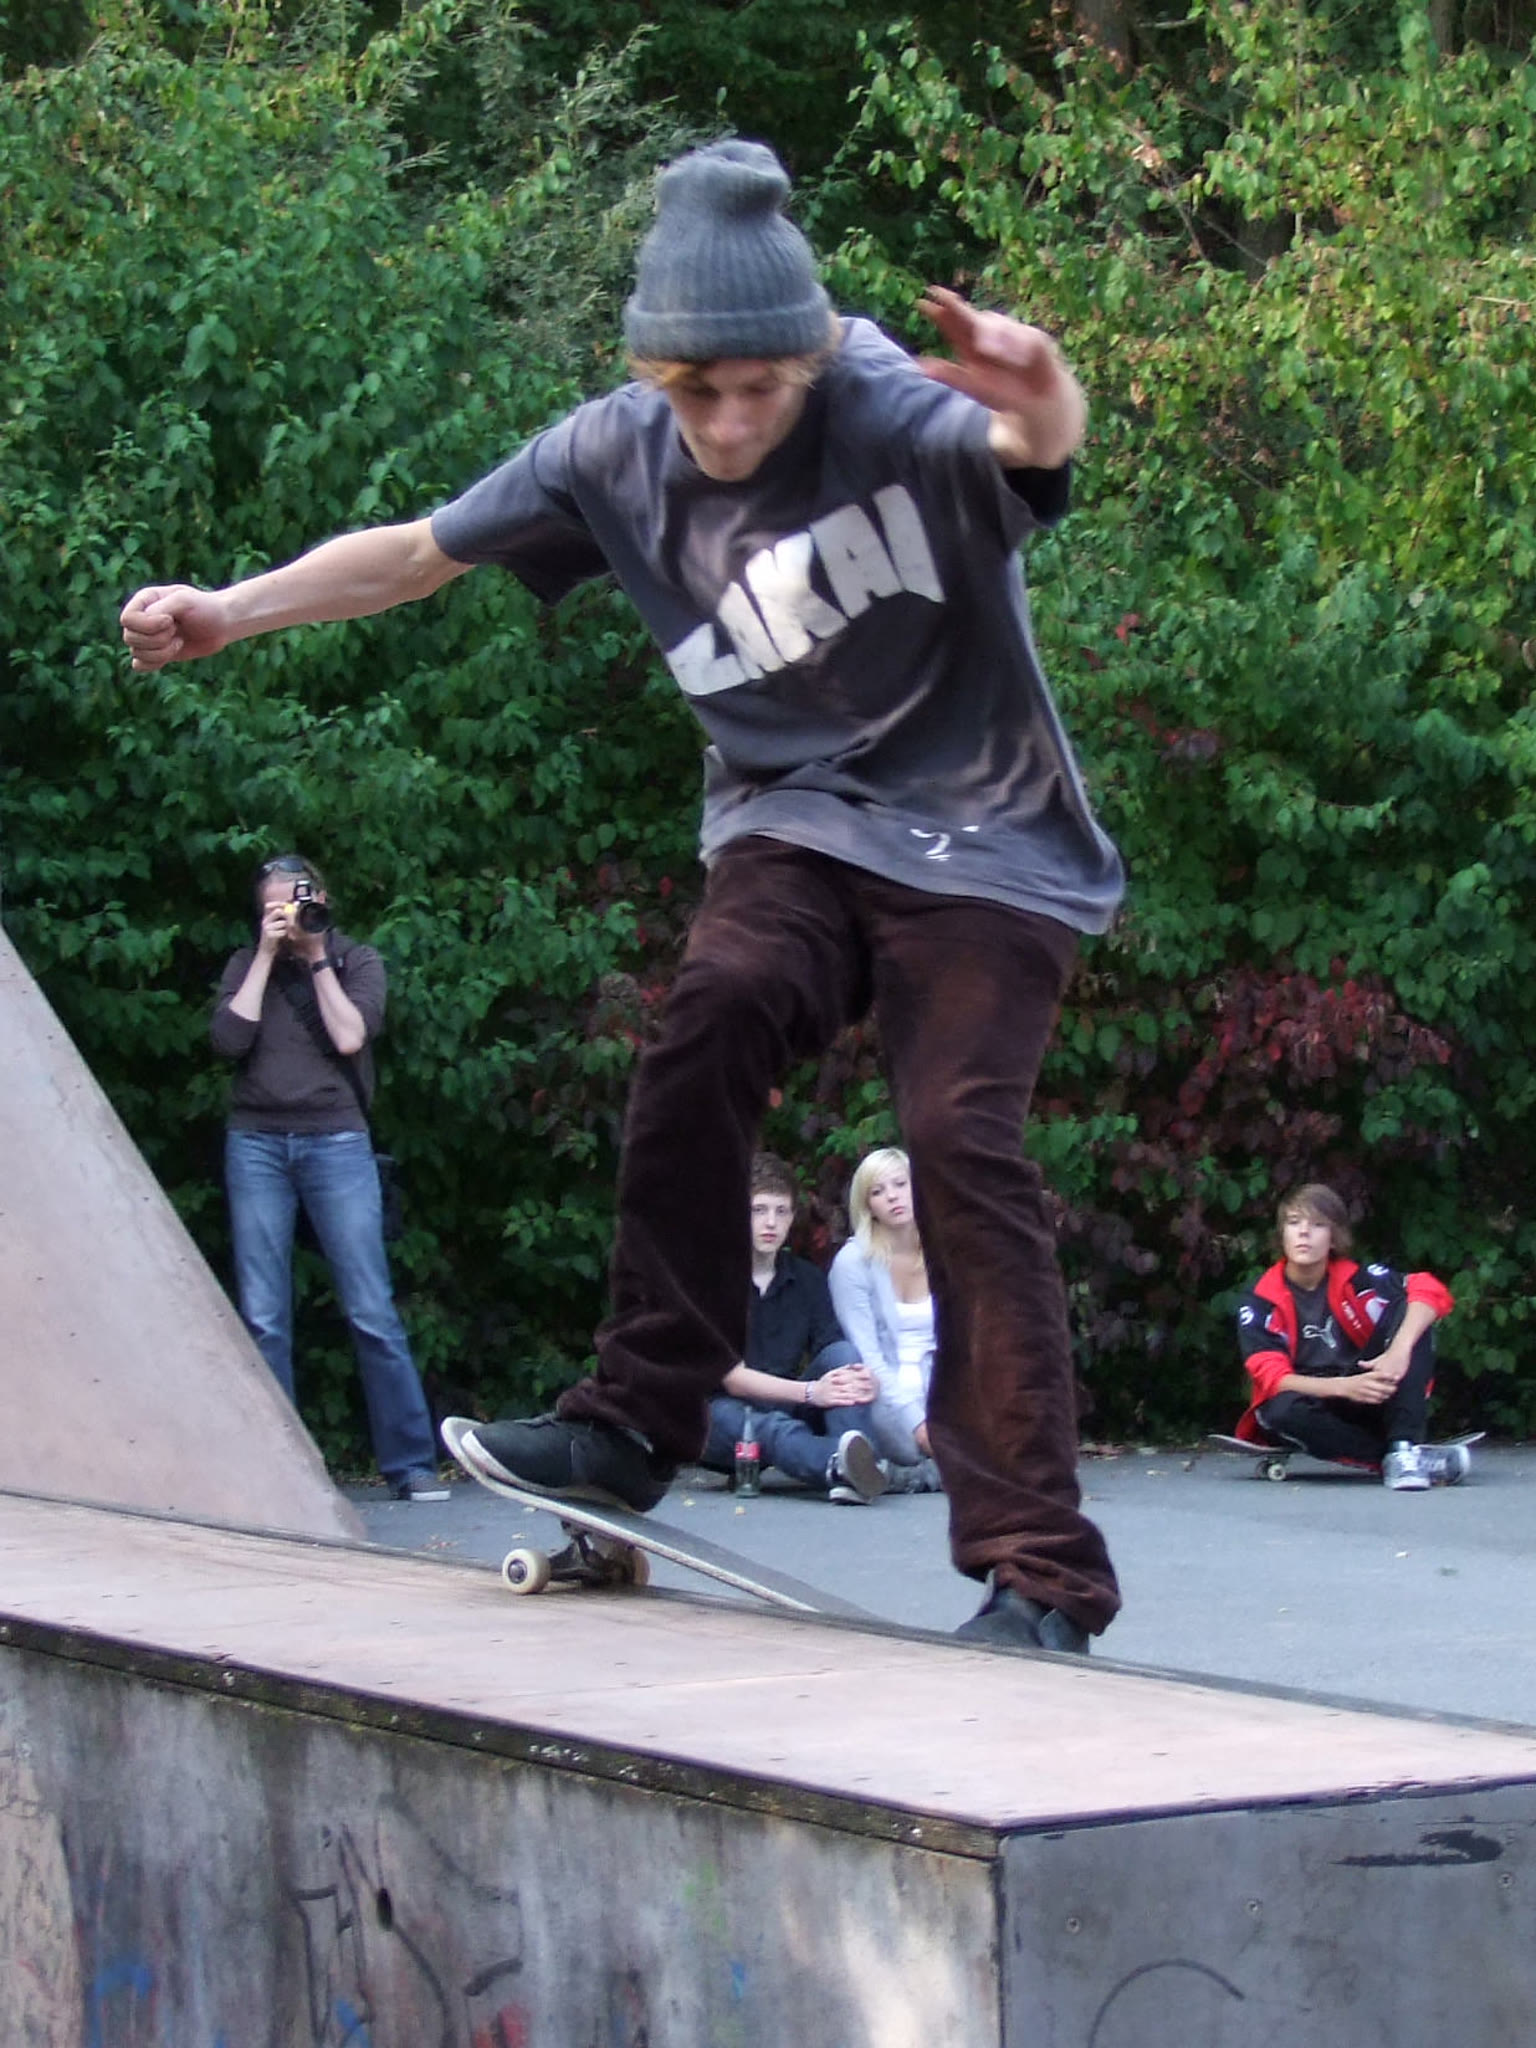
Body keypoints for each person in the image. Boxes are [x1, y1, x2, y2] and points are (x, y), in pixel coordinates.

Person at [121, 139, 1122, 1653]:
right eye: (694, 393)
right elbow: (413, 556)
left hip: (989, 841)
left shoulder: (880, 403)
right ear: (652, 372)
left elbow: (1031, 451)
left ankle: (1038, 1572)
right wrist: (226, 611)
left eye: (760, 391)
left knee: (958, 1141)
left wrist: (1044, 391)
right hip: (792, 824)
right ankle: (634, 1420)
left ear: (806, 361)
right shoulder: (606, 453)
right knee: (707, 1018)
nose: (728, 424)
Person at [210, 852, 448, 1502]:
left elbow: (349, 1037)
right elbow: (228, 1041)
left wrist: (316, 957)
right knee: (264, 1314)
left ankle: (410, 1464)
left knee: (370, 1308)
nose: (292, 915)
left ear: (324, 897)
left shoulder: (356, 960)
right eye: (277, 907)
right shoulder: (244, 963)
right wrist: (266, 955)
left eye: (301, 900)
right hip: (256, 1142)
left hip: (336, 1140)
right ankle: (276, 1471)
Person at [1232, 1182, 1463, 1490]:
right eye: (1294, 1222)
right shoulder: (1260, 1298)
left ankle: (1404, 1446)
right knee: (1279, 1410)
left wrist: (1398, 1352)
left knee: (1413, 1311)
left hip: (1368, 1392)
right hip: (1312, 1402)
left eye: (1317, 1224)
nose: (1304, 1233)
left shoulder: (1357, 1279)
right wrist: (1344, 1387)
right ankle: (1399, 1457)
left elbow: (1429, 1289)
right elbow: (1273, 1378)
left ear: (1333, 1237)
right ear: (1282, 1234)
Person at [700, 1153, 885, 1503]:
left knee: (844, 1357)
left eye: (781, 1211)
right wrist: (812, 1392)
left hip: (788, 1404)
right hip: (718, 1415)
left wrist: (863, 1378)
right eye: (759, 1210)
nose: (771, 1222)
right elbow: (731, 1378)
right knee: (767, 1427)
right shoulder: (711, 1281)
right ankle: (843, 1466)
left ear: (791, 1217)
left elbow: (834, 1351)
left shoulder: (806, 1279)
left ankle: (857, 1468)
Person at [828, 1149, 943, 1492]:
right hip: (887, 1394)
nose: (892, 1196)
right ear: (868, 1206)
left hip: (942, 1386)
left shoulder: (945, 1251)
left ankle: (904, 1477)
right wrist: (919, 1424)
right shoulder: (852, 1262)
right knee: (913, 1448)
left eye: (900, 1184)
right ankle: (917, 1471)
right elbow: (868, 1356)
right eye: (878, 1191)